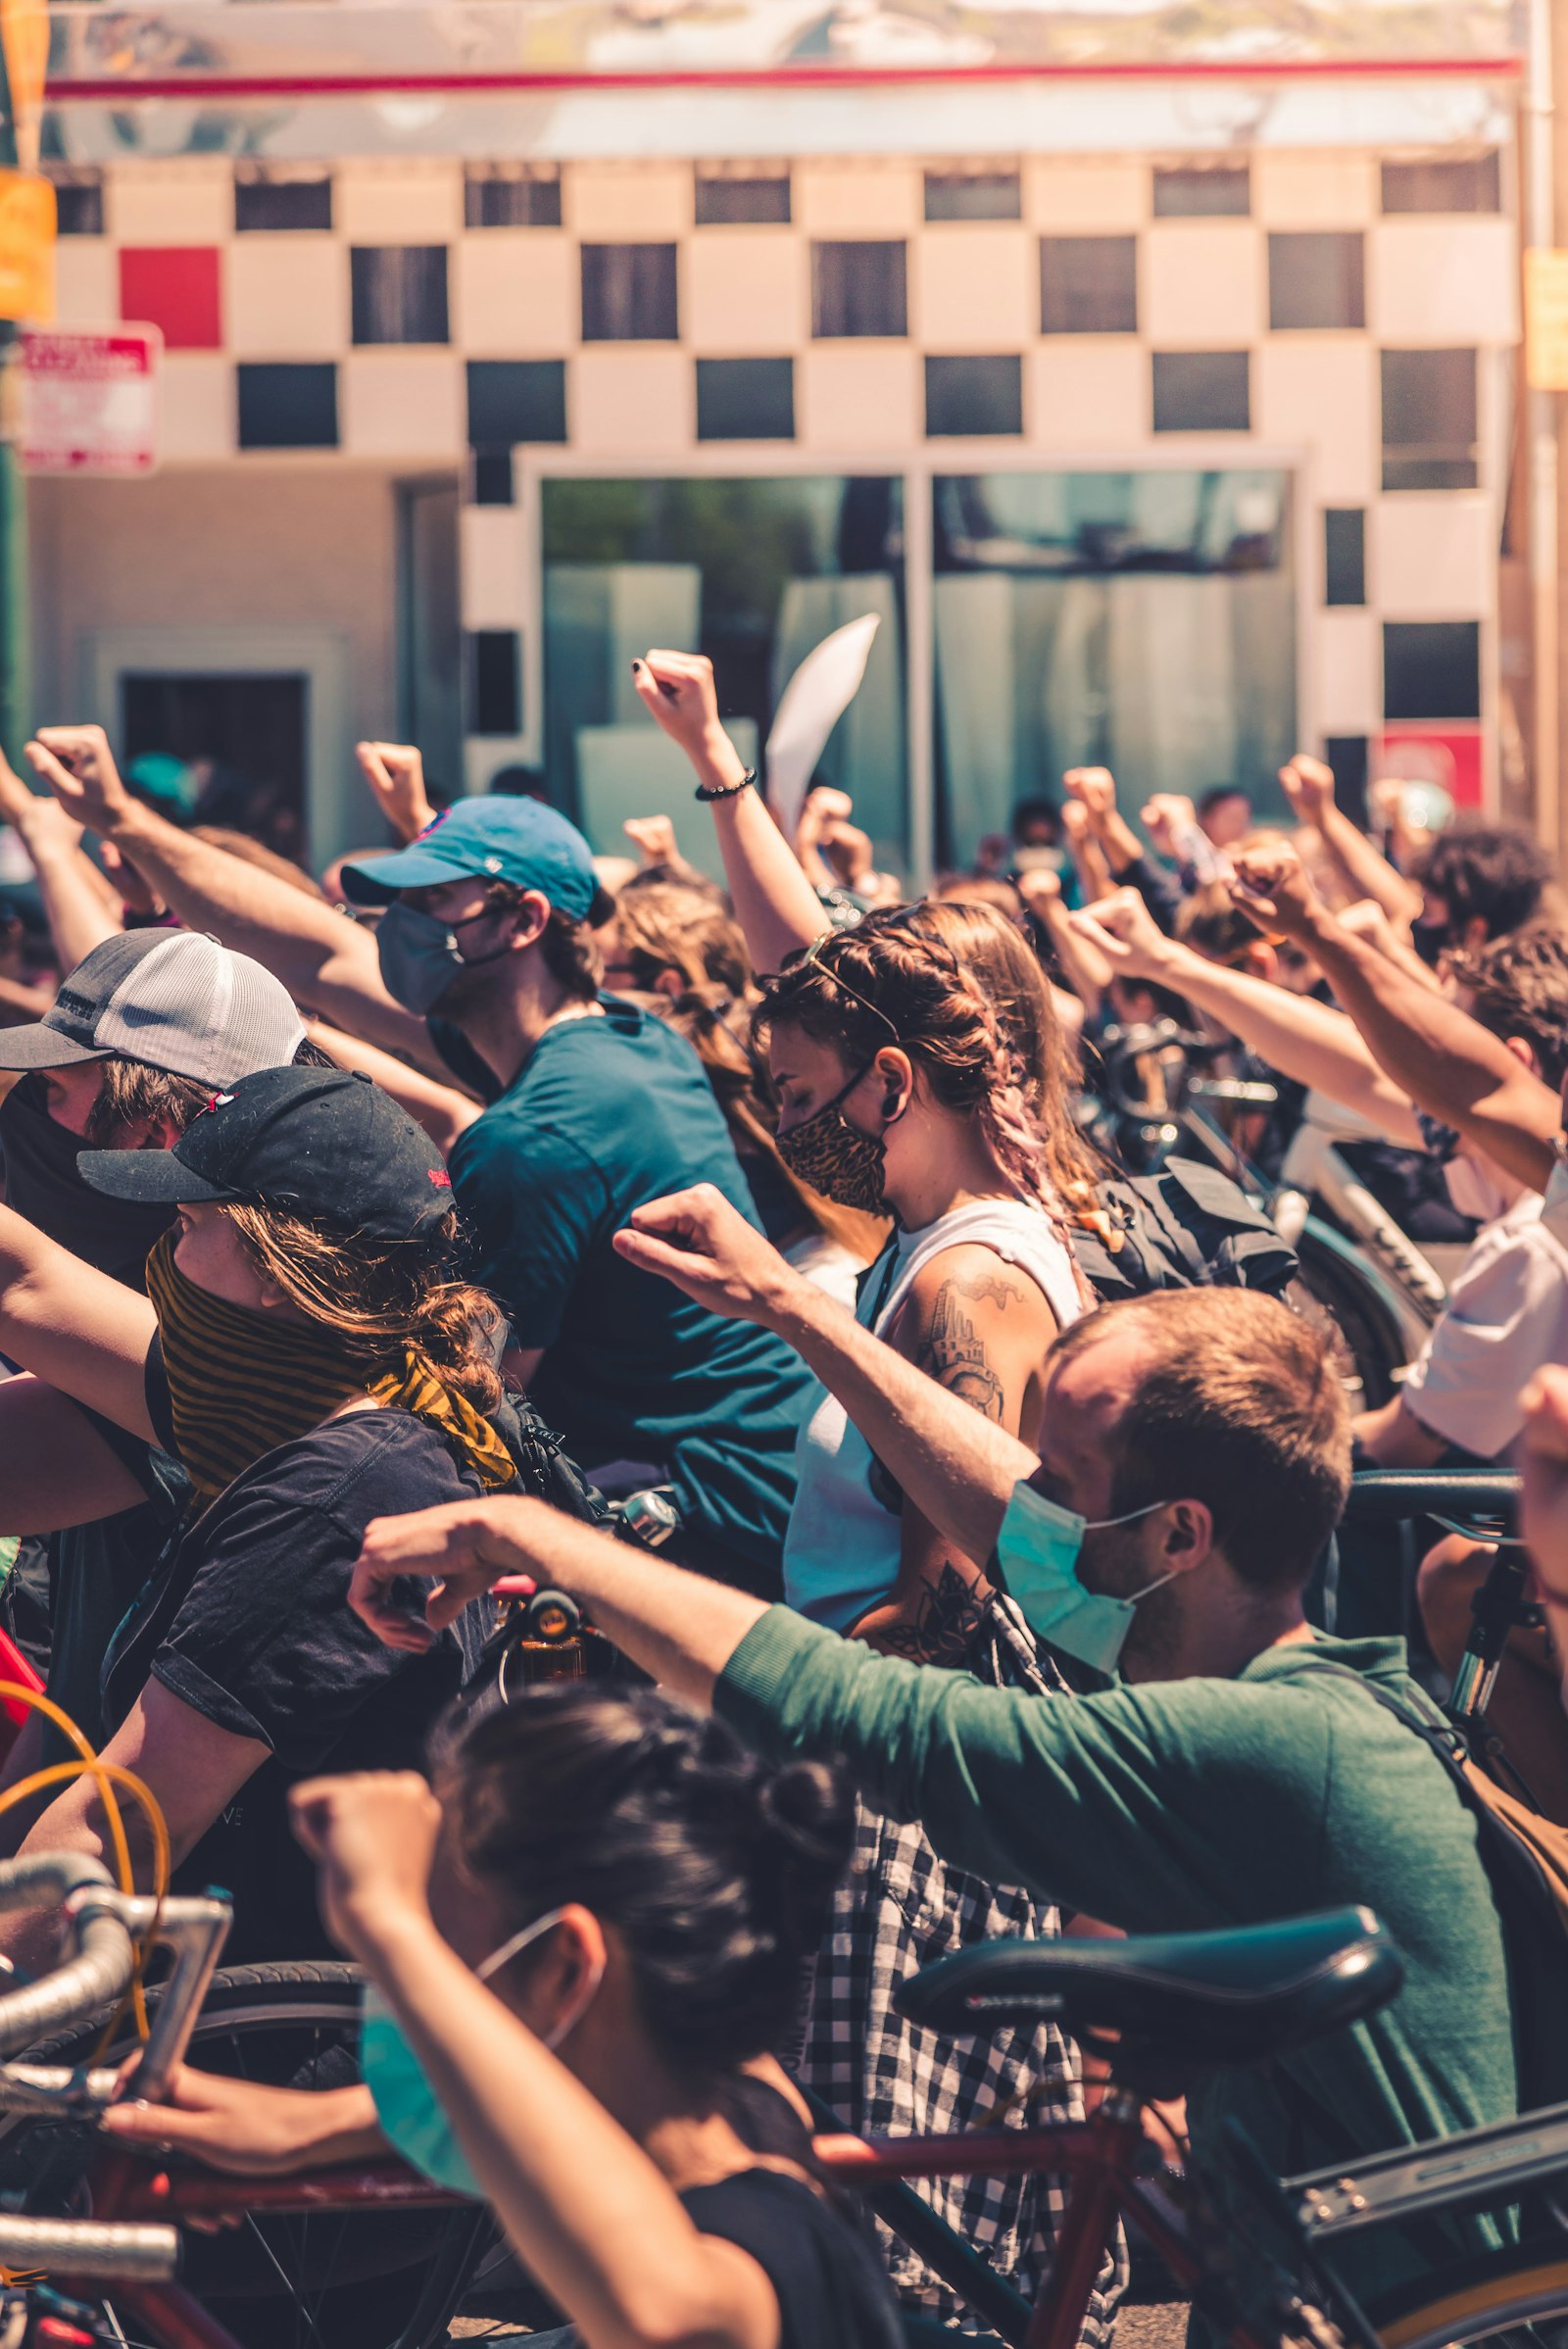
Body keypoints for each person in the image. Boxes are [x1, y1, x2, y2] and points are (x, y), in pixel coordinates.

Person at [352, 1227, 1520, 2312]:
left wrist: (530, 1534)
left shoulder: (1269, 1747)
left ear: (1179, 1537)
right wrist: (787, 1307)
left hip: (1378, 2314)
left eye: (1062, 1489)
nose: (1030, 1518)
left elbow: (877, 1717)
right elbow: (998, 1511)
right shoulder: (1266, 1668)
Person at [26, 724, 813, 1596]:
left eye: (428, 902)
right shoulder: (634, 1040)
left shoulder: (534, 1140)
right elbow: (321, 956)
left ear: (523, 922)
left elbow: (464, 1399)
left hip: (703, 1525)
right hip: (763, 1489)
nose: (394, 925)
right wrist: (122, 818)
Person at [103, 1684, 906, 2349]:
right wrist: (308, 2128)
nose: (420, 2005)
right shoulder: (733, 2090)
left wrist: (384, 1920)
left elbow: (666, 2314)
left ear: (565, 1965)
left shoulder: (755, 2247)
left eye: (441, 1961)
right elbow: (547, 2100)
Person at [0, 1064, 519, 1964]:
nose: (165, 1249)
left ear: (279, 1274)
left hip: (263, 2040)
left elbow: (117, 1830)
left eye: (193, 1223)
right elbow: (28, 1282)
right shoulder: (348, 1405)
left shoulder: (330, 1505)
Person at [0, 927, 312, 1760]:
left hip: (198, 1847)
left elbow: (26, 1283)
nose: (36, 1101)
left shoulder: (241, 1345)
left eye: (60, 1083)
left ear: (156, 1134)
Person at [1407, 818, 1557, 967]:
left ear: (1475, 932)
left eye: (1427, 914)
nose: (1415, 921)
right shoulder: (1531, 968)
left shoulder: (1487, 988)